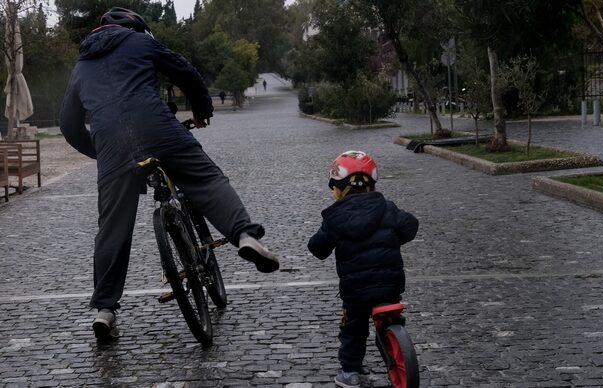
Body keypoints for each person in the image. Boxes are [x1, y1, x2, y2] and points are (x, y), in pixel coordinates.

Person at [59, 7, 279, 341]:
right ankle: (245, 235)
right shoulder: (141, 44)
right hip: (157, 127)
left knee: (112, 228)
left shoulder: (80, 68)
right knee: (205, 178)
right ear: (135, 28)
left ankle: (105, 310)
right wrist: (203, 109)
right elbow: (186, 73)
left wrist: (99, 152)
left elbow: (68, 125)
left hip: (112, 146)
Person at [307, 151, 419, 388]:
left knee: (353, 329)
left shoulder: (334, 219)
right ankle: (393, 344)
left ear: (339, 188)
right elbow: (411, 225)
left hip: (356, 292)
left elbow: (317, 248)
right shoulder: (387, 208)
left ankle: (350, 372)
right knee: (390, 315)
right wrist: (391, 239)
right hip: (390, 285)